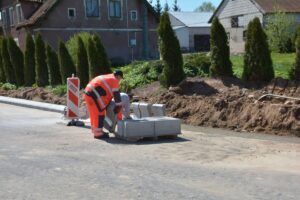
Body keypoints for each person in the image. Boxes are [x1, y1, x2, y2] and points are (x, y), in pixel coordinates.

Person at [84, 70, 123, 139]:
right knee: (99, 114)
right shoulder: (114, 80)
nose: (119, 80)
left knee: (93, 114)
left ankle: (96, 130)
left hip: (88, 94)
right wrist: (119, 105)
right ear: (118, 76)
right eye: (120, 78)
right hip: (94, 96)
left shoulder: (108, 77)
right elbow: (116, 94)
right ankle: (98, 134)